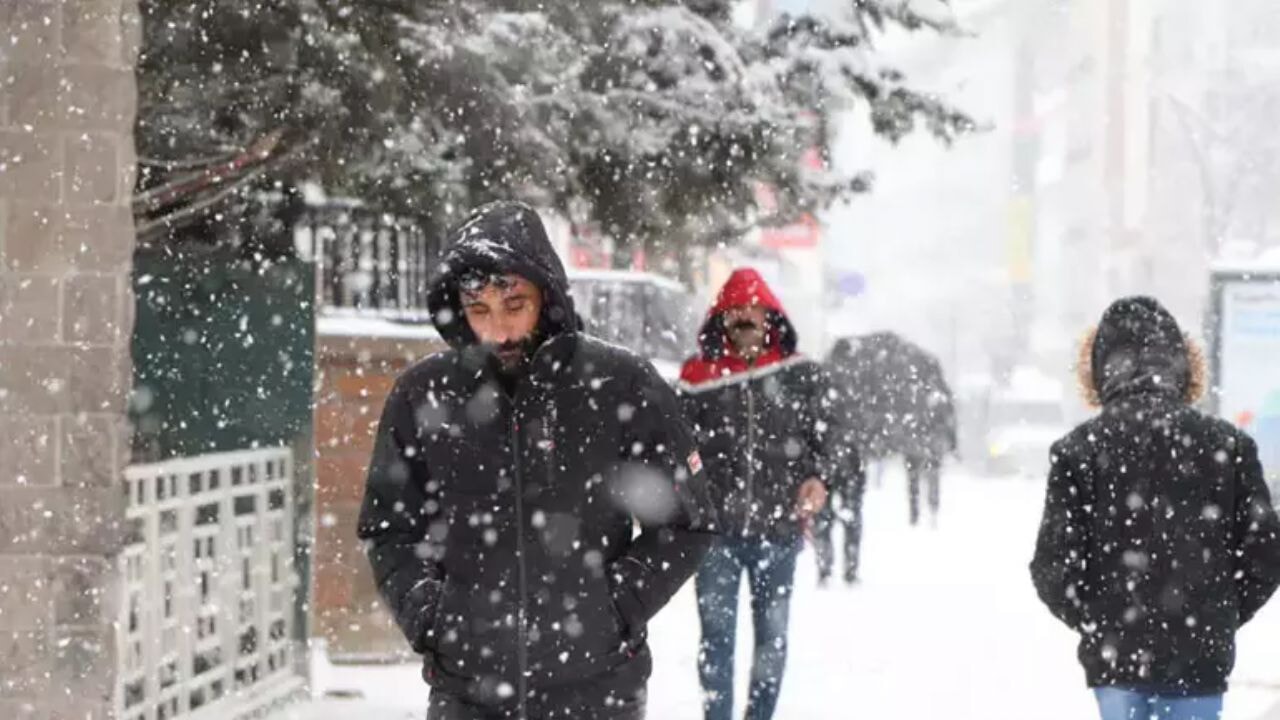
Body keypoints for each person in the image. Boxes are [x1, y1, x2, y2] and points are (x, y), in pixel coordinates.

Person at [357, 201, 717, 720]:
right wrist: (432, 617)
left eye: (513, 304)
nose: (498, 329)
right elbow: (390, 528)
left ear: (546, 296)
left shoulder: (621, 384)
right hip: (468, 694)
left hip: (597, 689)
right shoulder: (423, 394)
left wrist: (614, 608)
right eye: (478, 309)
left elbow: (689, 522)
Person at [1031, 296, 1280, 720]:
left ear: (1097, 368)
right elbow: (1266, 555)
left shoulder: (1078, 452)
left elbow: (1053, 568)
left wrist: (1101, 620)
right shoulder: (1228, 446)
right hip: (1199, 658)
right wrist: (1216, 614)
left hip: (1117, 661)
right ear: (1184, 364)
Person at [677, 268, 835, 720]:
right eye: (735, 309)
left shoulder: (799, 374)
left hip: (779, 532)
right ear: (720, 317)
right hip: (715, 536)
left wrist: (819, 477)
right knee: (716, 640)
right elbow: (673, 447)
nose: (745, 316)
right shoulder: (695, 378)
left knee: (772, 639)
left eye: (753, 308)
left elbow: (828, 438)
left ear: (770, 315)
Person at [826, 332, 956, 529]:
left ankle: (919, 510)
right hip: (921, 438)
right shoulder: (925, 388)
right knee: (928, 474)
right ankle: (928, 508)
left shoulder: (844, 379)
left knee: (916, 475)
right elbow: (947, 413)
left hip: (912, 439)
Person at [813, 341, 866, 586]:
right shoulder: (857, 383)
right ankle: (851, 569)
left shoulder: (821, 378)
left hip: (824, 462)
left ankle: (825, 568)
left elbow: (812, 420)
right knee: (852, 517)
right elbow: (866, 426)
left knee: (823, 519)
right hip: (852, 462)